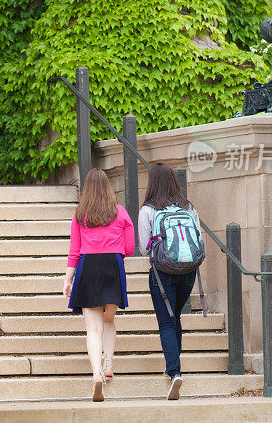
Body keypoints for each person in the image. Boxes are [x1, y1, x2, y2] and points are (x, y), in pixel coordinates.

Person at [63, 168, 135, 402]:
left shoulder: (80, 214)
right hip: (113, 265)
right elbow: (130, 248)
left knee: (93, 328)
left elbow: (74, 250)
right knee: (109, 320)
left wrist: (68, 280)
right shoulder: (120, 212)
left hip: (88, 266)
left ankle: (96, 375)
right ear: (108, 187)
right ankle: (108, 364)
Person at [138, 162, 201, 401]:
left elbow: (145, 248)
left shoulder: (148, 210)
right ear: (175, 181)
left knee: (166, 321)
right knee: (177, 317)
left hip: (161, 273)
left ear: (152, 183)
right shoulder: (188, 207)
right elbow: (198, 239)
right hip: (188, 270)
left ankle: (174, 372)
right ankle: (173, 366)